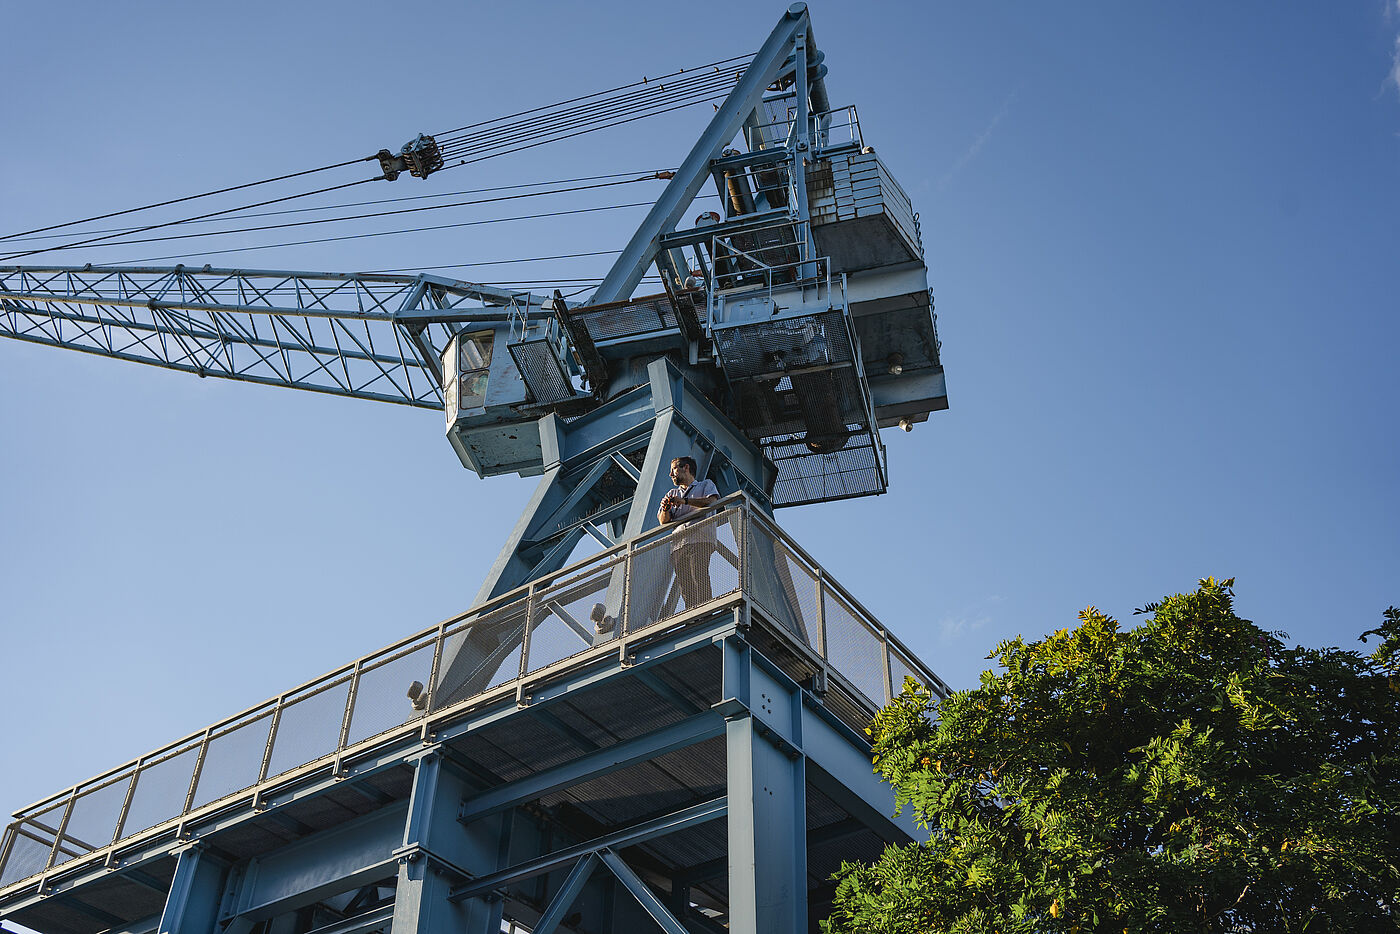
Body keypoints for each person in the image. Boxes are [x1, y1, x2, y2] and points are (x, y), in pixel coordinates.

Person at [657, 456, 721, 611]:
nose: (671, 474)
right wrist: (666, 508)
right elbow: (663, 521)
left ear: (685, 467)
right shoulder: (672, 492)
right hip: (679, 544)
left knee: (699, 576)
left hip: (700, 539)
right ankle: (691, 615)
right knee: (685, 585)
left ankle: (706, 611)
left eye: (673, 469)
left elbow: (711, 502)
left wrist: (684, 502)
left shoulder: (706, 484)